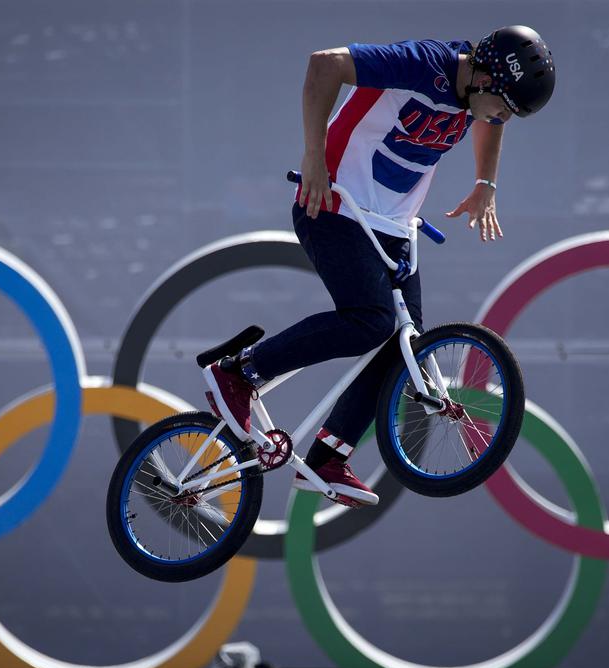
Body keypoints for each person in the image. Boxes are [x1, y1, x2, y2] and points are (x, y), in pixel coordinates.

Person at [204, 26, 555, 508]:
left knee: (401, 347)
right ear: (484, 78)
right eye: (504, 106)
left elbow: (490, 121)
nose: (502, 119)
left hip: (393, 227)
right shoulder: (421, 64)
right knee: (370, 320)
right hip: (332, 204)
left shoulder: (481, 93)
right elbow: (323, 64)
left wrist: (485, 183)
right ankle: (241, 371)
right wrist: (313, 157)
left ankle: (328, 457)